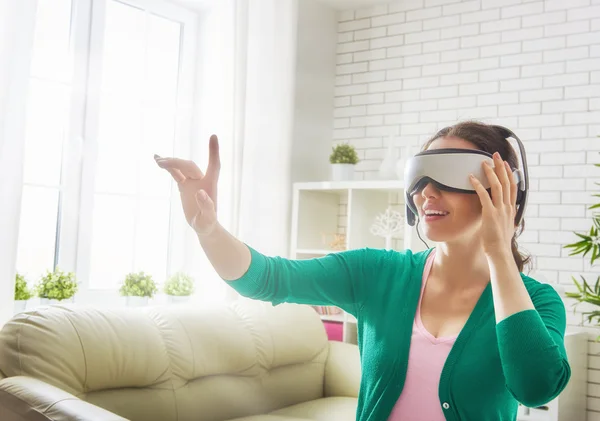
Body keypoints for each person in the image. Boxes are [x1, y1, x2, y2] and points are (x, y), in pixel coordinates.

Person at [154, 120, 571, 421]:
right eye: (420, 177)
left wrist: (499, 253)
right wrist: (208, 230)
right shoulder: (377, 273)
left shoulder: (537, 302)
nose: (426, 192)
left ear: (502, 191)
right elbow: (265, 278)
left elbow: (535, 387)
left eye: (448, 175)